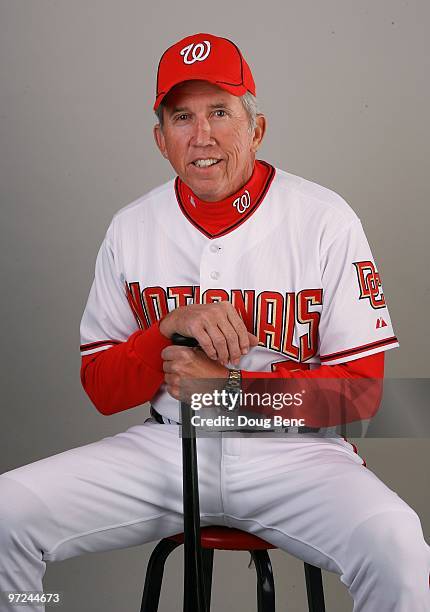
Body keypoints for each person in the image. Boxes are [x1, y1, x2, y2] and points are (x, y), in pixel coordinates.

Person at [0, 32, 429, 612]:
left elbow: (362, 392)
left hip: (297, 459)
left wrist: (226, 392)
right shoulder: (132, 227)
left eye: (220, 112)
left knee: (397, 549)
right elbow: (101, 388)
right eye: (182, 117)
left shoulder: (324, 219)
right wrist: (165, 330)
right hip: (166, 449)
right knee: (6, 515)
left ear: (256, 129)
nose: (201, 135)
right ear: (161, 139)